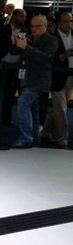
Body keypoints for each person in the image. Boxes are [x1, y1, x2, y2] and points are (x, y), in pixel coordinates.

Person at [11, 15, 58, 148]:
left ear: (45, 26)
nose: (33, 29)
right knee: (33, 109)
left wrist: (26, 47)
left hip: (39, 80)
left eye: (37, 26)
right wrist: (15, 42)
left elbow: (47, 58)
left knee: (23, 103)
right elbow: (15, 53)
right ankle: (34, 139)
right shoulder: (30, 39)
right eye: (32, 26)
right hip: (26, 79)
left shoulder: (51, 40)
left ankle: (26, 138)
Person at [0, 8, 27, 126]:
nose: (24, 19)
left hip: (15, 67)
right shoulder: (2, 30)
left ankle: (7, 118)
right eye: (22, 16)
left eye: (24, 17)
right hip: (2, 66)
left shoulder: (24, 31)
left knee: (11, 94)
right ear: (14, 17)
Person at [40, 12, 73, 149]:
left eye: (71, 21)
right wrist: (64, 55)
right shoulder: (52, 38)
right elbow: (49, 58)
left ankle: (45, 132)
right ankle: (62, 139)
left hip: (70, 76)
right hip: (57, 77)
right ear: (58, 23)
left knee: (57, 108)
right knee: (61, 108)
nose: (69, 24)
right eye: (65, 21)